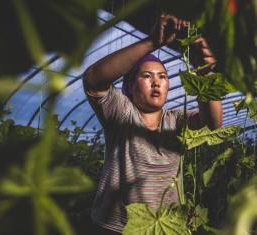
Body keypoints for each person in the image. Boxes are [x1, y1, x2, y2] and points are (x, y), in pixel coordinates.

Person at [82, 13, 222, 234]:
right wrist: (152, 42)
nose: (156, 82)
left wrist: (204, 74)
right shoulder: (122, 112)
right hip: (115, 227)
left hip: (165, 226)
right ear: (128, 87)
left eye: (163, 77)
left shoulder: (177, 119)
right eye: (147, 76)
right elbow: (93, 79)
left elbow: (213, 123)